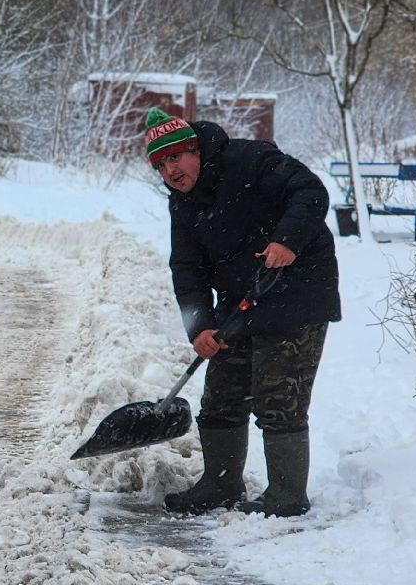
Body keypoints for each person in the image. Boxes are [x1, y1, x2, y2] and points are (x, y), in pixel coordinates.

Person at [145, 107, 341, 518]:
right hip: (243, 299)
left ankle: (286, 498)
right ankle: (220, 484)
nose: (171, 171)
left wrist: (287, 240)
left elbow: (310, 191)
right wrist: (200, 326)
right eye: (161, 165)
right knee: (221, 396)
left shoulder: (249, 161)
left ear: (193, 149)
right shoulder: (182, 204)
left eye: (175, 157)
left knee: (278, 397)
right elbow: (187, 267)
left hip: (297, 289)